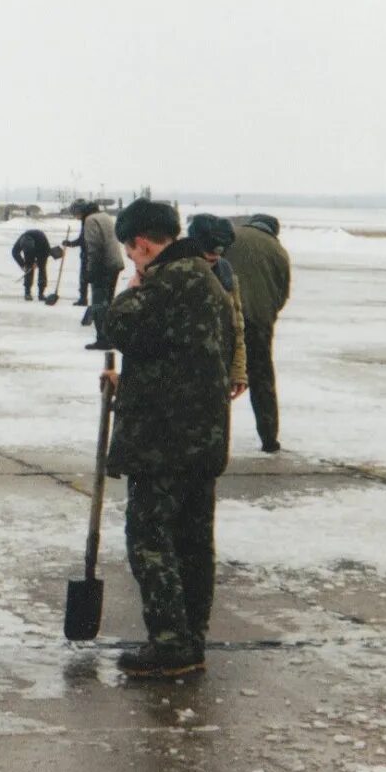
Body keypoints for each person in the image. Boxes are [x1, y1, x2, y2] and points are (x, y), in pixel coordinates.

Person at [102, 199, 235, 679]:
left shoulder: (169, 281)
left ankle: (170, 643)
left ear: (142, 243)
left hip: (164, 440)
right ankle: (190, 637)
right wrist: (137, 380)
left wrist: (132, 289)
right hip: (203, 435)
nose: (134, 262)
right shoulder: (208, 279)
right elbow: (185, 351)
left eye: (132, 254)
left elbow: (118, 327)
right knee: (194, 542)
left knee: (150, 538)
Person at [225, 214, 290, 452]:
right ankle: (269, 437)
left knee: (219, 378)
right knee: (263, 380)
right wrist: (266, 315)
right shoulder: (278, 251)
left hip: (226, 318)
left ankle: (216, 437)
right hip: (259, 323)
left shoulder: (231, 236)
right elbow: (282, 293)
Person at [186, 214, 248, 404]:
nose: (211, 263)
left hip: (216, 373)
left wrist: (238, 371)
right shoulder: (171, 271)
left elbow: (236, 325)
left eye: (216, 259)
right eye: (207, 258)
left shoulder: (225, 273)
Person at [82, 203, 126, 349]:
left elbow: (94, 247)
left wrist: (90, 270)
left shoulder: (90, 220)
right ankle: (111, 337)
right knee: (108, 301)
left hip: (103, 266)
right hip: (115, 262)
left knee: (99, 303)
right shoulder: (105, 216)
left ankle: (103, 339)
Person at [10, 228, 58, 301]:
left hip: (41, 250)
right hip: (29, 251)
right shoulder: (21, 240)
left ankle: (41, 294)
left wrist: (37, 263)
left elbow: (46, 253)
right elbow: (14, 252)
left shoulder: (42, 240)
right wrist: (22, 265)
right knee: (28, 269)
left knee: (42, 269)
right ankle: (27, 293)